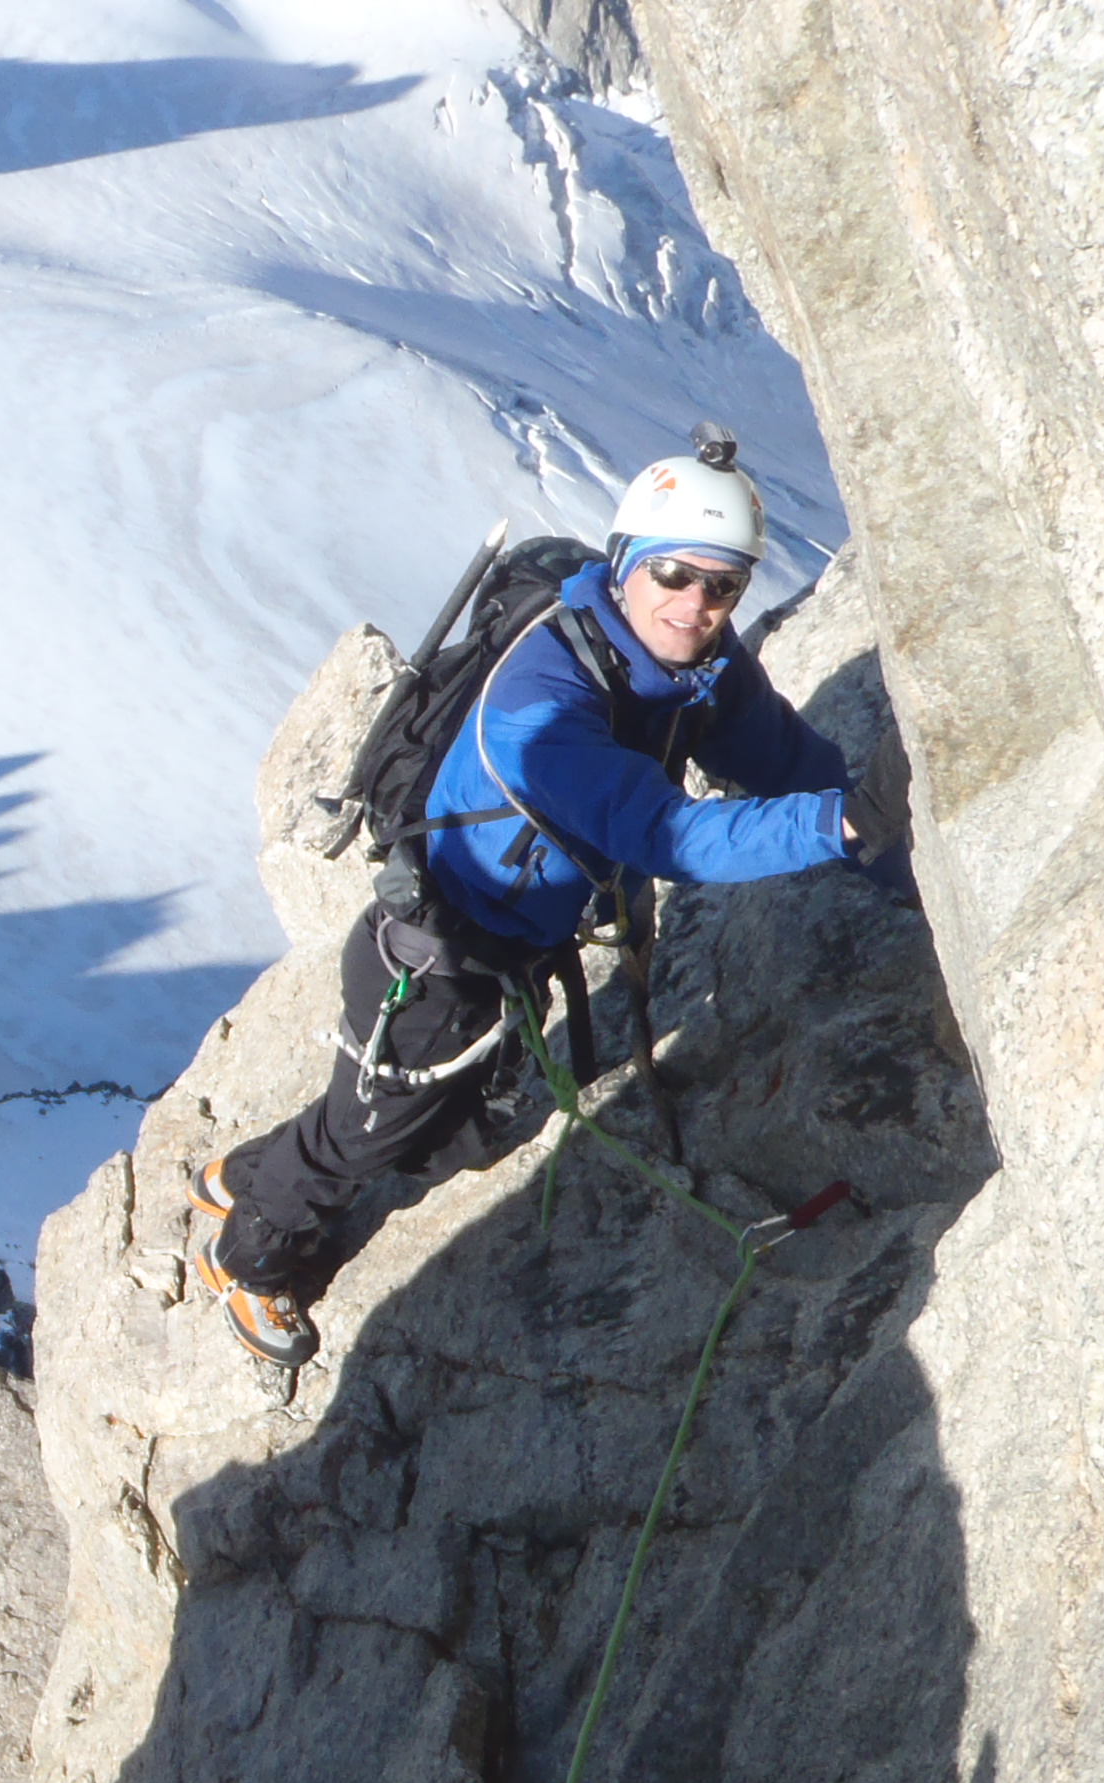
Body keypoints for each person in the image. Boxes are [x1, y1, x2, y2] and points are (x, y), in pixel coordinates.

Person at [189, 435, 902, 1368]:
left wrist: (894, 854)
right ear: (625, 563)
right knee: (373, 1137)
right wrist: (844, 822)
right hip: (437, 958)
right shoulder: (539, 707)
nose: (695, 604)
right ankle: (249, 1257)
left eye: (722, 585)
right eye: (674, 574)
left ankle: (240, 1174)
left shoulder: (697, 668)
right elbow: (672, 836)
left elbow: (784, 763)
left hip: (510, 944)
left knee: (438, 1124)